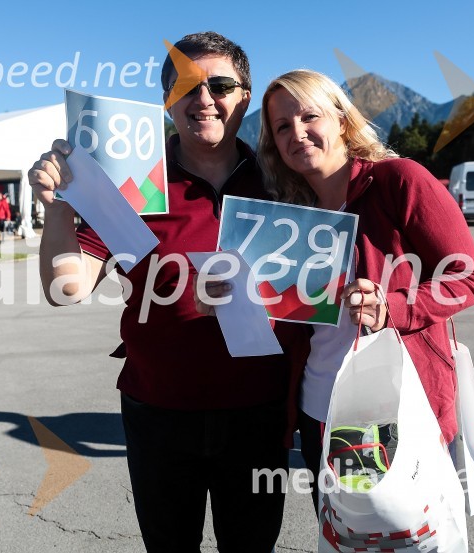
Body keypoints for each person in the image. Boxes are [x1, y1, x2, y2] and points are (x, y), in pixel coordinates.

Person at [27, 32, 308, 552]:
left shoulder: (283, 179)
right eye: (185, 87)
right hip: (158, 412)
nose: (204, 99)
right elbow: (66, 288)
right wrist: (58, 203)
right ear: (166, 101)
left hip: (258, 412)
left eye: (221, 85)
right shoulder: (132, 179)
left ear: (245, 97)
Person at [254, 69, 474, 510]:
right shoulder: (294, 217)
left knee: (408, 533)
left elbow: (469, 278)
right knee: (347, 534)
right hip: (319, 410)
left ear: (341, 120)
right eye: (282, 126)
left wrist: (394, 307)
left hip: (394, 407)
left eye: (309, 117)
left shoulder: (399, 180)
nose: (297, 134)